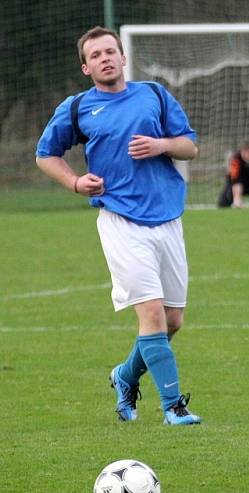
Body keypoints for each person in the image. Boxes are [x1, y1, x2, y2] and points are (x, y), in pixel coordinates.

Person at [35, 26, 201, 425]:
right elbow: (46, 154)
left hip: (167, 218)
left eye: (111, 51)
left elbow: (189, 145)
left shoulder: (154, 95)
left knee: (173, 320)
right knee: (153, 315)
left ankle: (124, 377)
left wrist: (161, 145)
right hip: (120, 221)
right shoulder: (77, 108)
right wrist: (75, 182)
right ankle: (173, 408)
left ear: (123, 58)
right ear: (85, 67)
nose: (105, 58)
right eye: (96, 55)